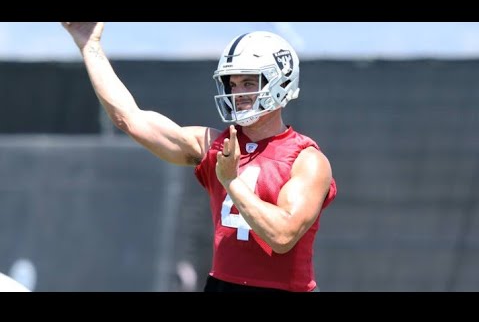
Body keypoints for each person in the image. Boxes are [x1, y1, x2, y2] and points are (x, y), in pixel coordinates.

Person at [61, 23, 337, 292]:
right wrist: (90, 45)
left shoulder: (306, 159)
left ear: (282, 82)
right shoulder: (215, 145)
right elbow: (130, 119)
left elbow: (282, 235)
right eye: (233, 83)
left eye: (250, 82)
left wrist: (231, 181)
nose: (239, 93)